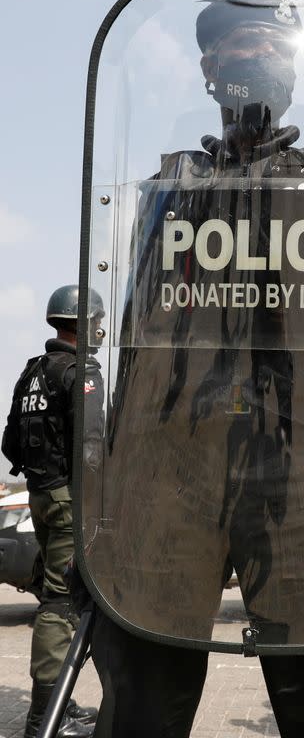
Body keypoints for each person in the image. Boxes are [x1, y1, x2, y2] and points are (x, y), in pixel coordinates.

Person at [84, 0, 304, 738]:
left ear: (294, 69)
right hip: (171, 464)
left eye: (271, 44)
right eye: (237, 44)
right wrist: (112, 489)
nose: (255, 55)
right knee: (140, 689)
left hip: (300, 456)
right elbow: (137, 343)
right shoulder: (169, 187)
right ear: (208, 69)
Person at [1, 285, 104, 738]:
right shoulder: (80, 370)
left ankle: (62, 703)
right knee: (61, 604)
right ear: (82, 324)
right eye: (96, 323)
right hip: (69, 500)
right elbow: (93, 445)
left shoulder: (31, 373)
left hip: (40, 496)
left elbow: (9, 445)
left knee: (54, 595)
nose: (99, 331)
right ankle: (45, 718)